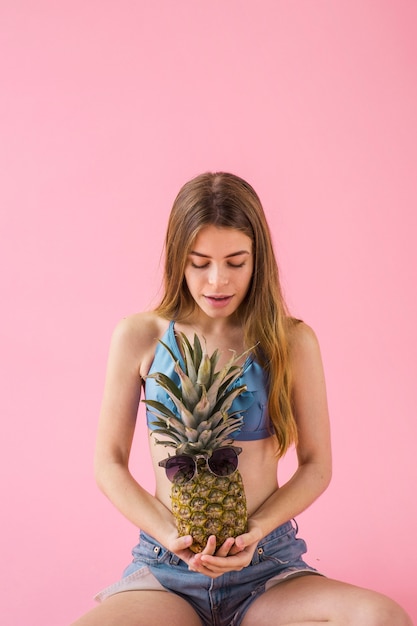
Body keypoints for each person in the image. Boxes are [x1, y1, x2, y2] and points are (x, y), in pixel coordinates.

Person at [71, 172, 412, 626]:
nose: (218, 281)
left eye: (236, 262)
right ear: (178, 260)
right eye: (199, 263)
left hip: (267, 568)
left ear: (259, 260)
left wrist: (256, 531)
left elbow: (316, 465)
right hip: (166, 568)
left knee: (380, 617)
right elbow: (108, 463)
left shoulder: (291, 340)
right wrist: (170, 534)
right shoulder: (140, 336)